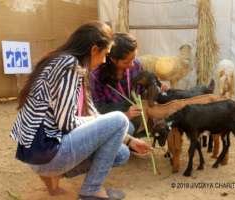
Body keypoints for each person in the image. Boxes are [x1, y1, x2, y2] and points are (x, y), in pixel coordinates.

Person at [10, 21, 151, 200]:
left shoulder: (65, 63)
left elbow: (91, 114)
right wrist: (111, 124)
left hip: (38, 153)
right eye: (105, 54)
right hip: (45, 153)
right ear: (93, 50)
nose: (104, 60)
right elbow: (67, 123)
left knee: (122, 153)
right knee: (120, 120)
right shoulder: (69, 65)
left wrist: (129, 141)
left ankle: (54, 175)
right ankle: (91, 192)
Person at [90, 32, 167, 137]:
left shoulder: (136, 65)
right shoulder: (96, 76)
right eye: (126, 62)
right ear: (113, 59)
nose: (132, 65)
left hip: (134, 111)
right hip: (113, 117)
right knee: (128, 128)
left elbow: (142, 89)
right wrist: (126, 113)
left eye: (133, 58)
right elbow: (98, 109)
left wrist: (157, 88)